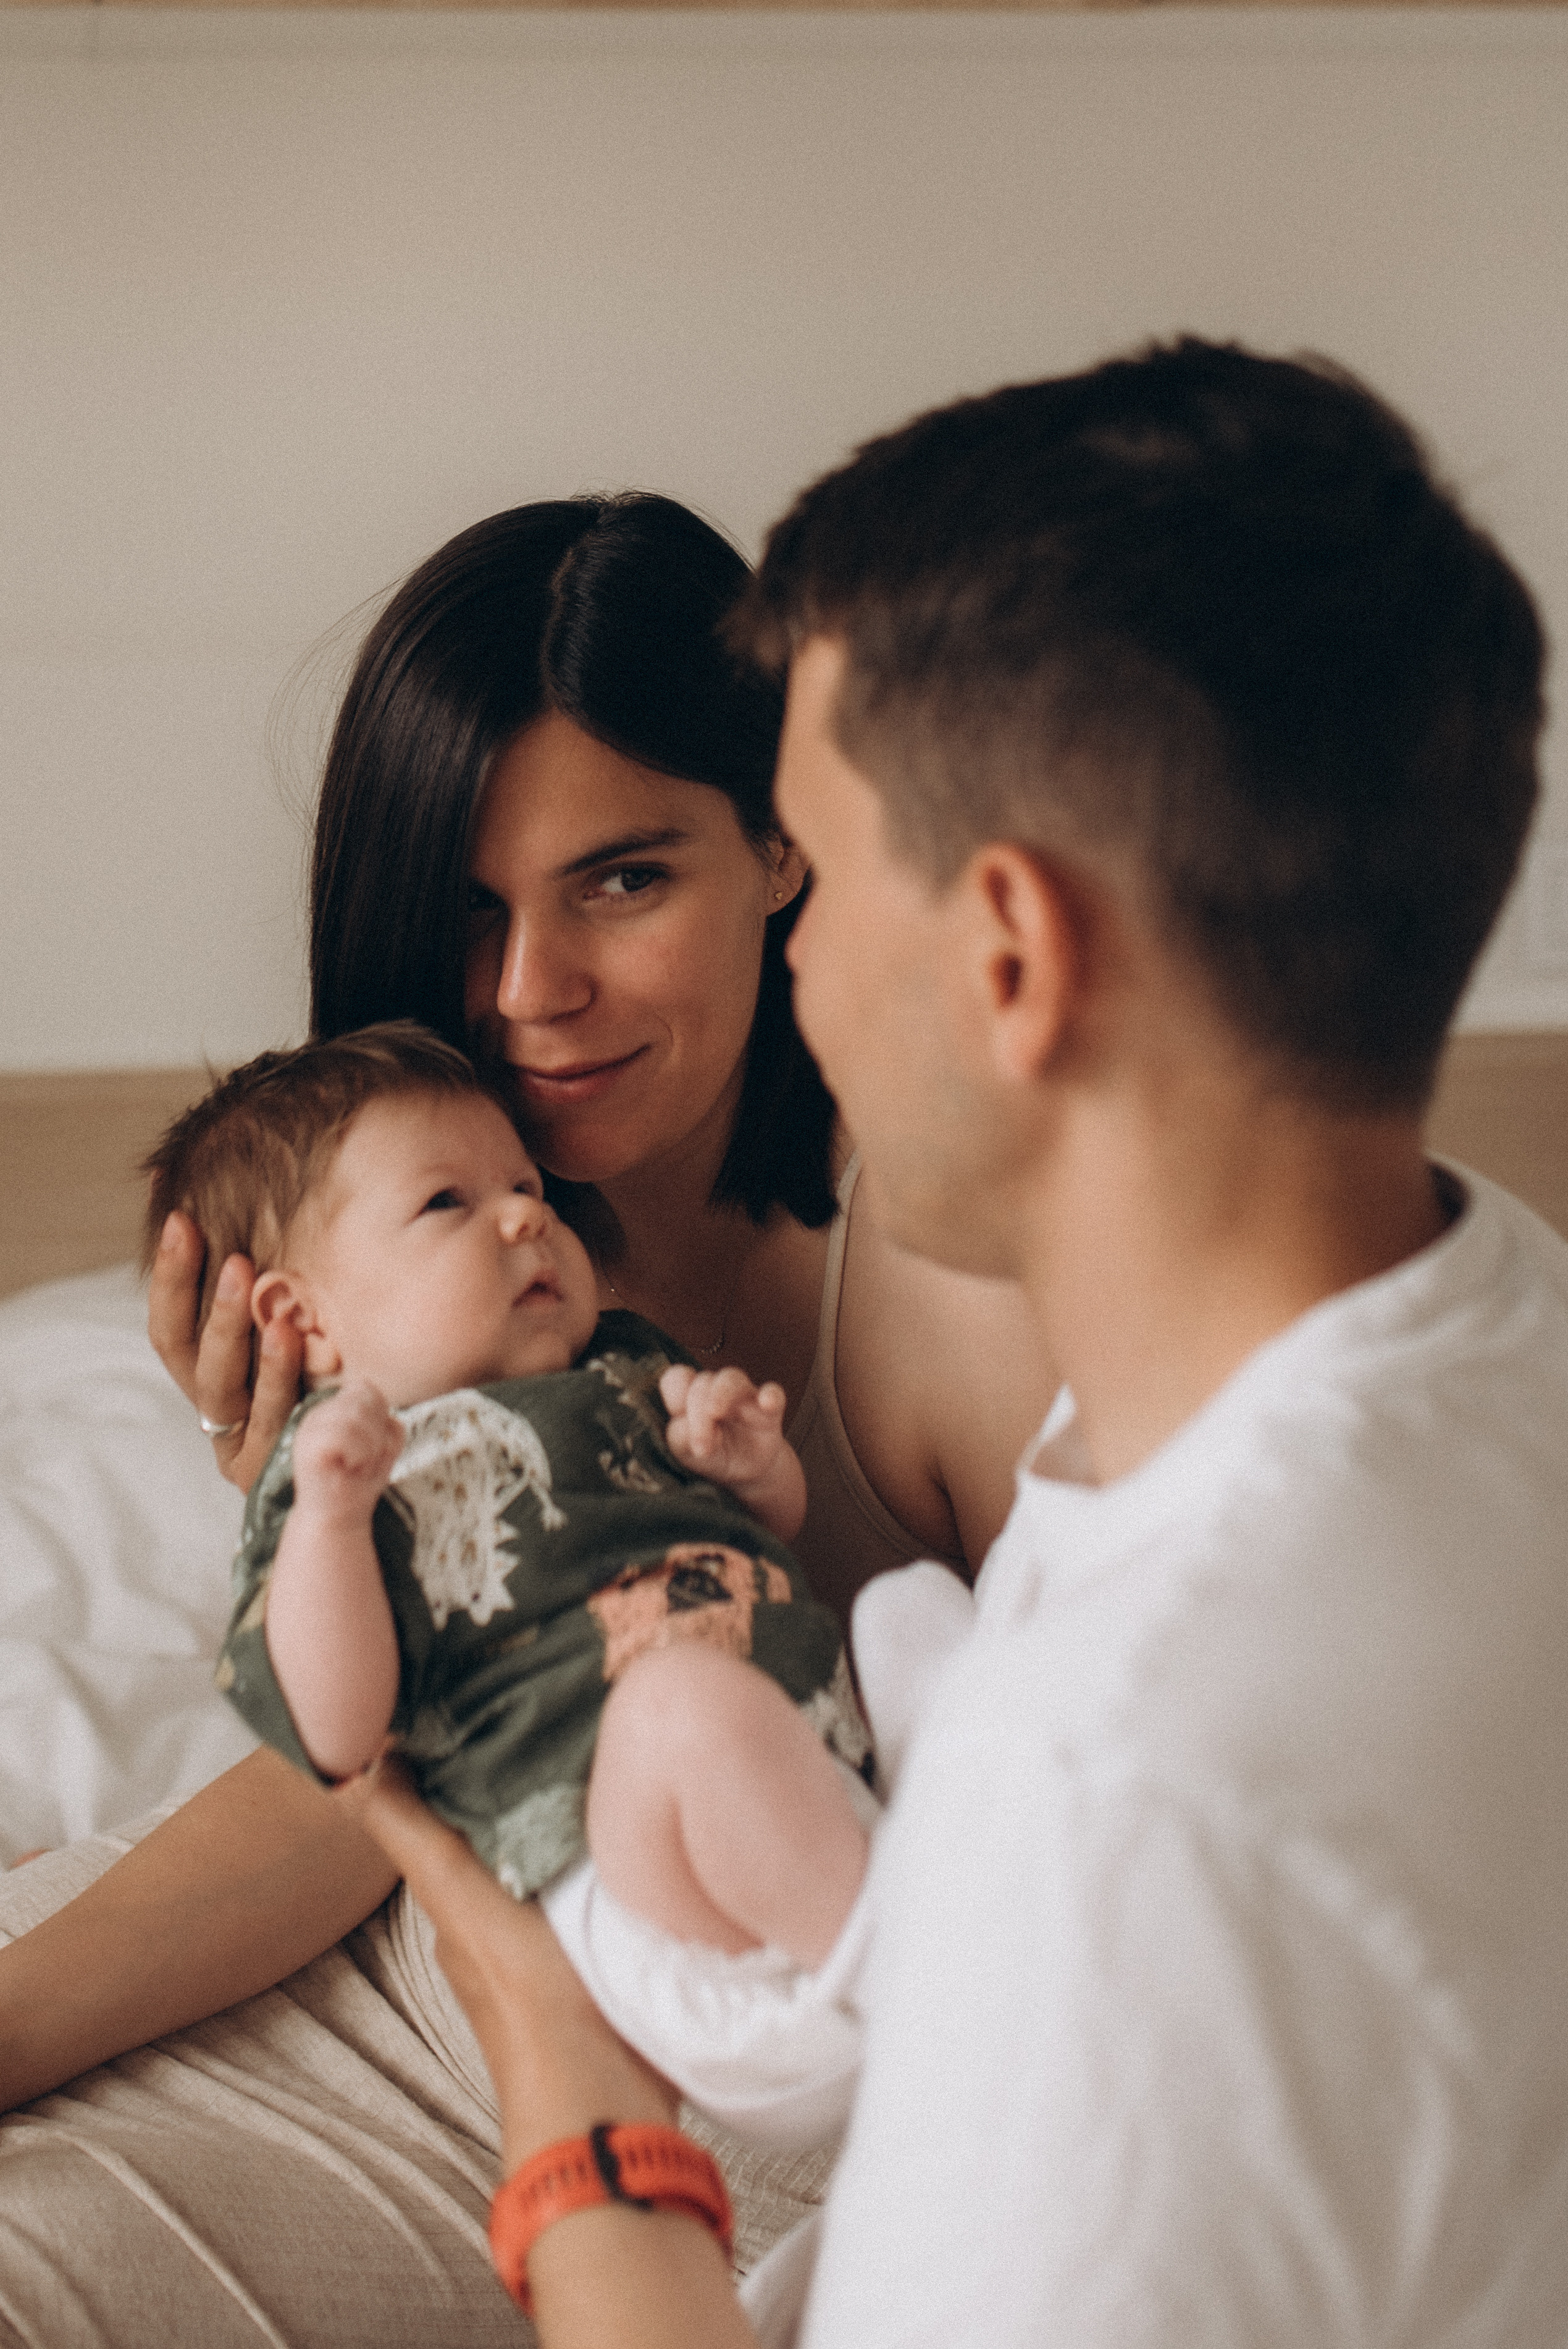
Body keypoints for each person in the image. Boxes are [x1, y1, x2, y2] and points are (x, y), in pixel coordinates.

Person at [356, 337, 1568, 2347]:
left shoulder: (1107, 1780)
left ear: (1010, 952)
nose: (794, 950)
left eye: (812, 878)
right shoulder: (1498, 1309)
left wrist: (551, 2035)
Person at [0, 493, 1050, 2346]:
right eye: (467, 909)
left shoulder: (946, 1282)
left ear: (785, 843)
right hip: (381, 1912)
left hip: (650, 2067)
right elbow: (396, 1762)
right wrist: (309, 1506)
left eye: (621, 879)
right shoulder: (442, 1214)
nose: (522, 994)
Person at [147, 1021, 877, 2152]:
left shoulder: (625, 1372)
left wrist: (751, 1468)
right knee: (678, 1708)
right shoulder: (356, 1476)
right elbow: (341, 1736)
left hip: (811, 1781)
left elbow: (766, 1541)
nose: (527, 1214)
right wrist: (332, 1523)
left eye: (526, 1186)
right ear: (305, 1321)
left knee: (920, 1621)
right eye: (448, 1203)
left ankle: (924, 1907)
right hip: (636, 1894)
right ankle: (934, 1989)